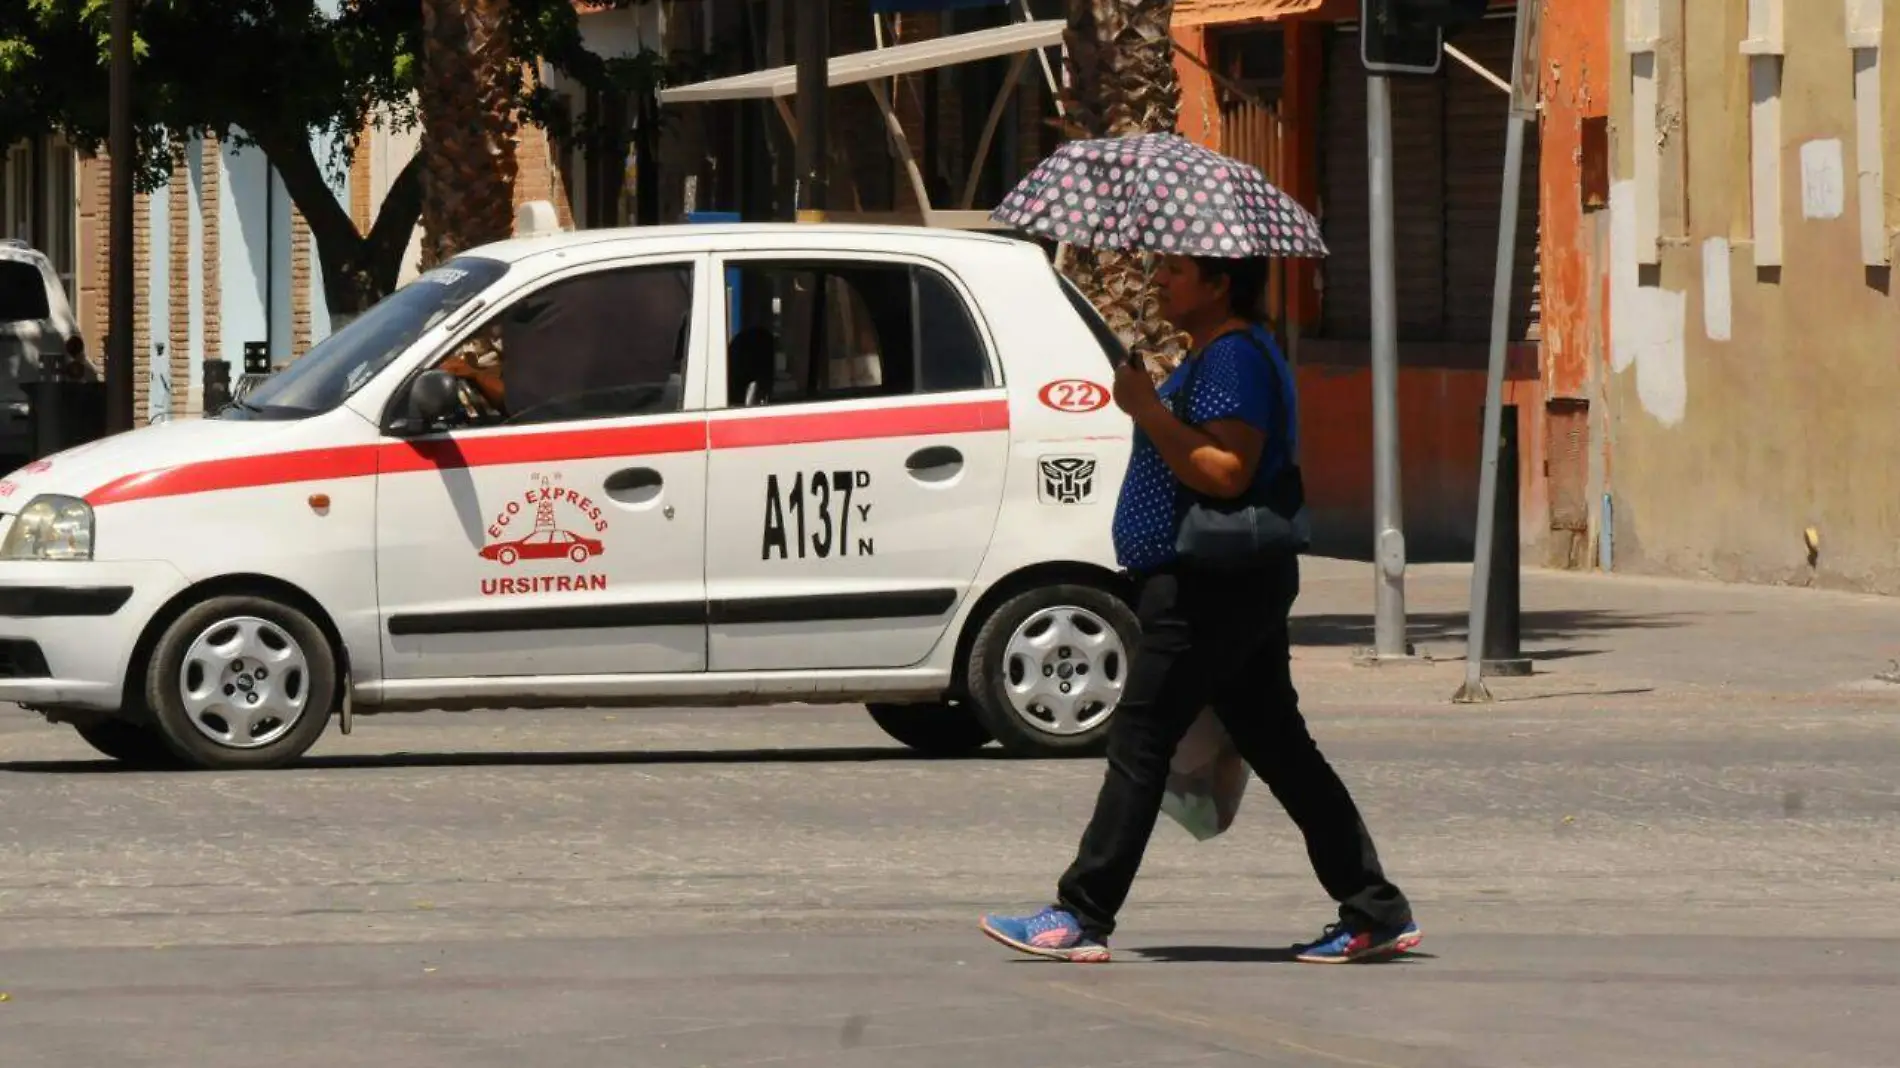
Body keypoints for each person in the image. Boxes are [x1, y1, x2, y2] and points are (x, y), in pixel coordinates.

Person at [979, 254, 1419, 965]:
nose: (1160, 281)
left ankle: (1081, 914)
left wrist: (1147, 409)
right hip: (1221, 581)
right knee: (1279, 745)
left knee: (1141, 738)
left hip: (1207, 584)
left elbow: (1227, 470)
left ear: (1219, 284)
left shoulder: (1235, 358)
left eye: (1177, 271)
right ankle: (1374, 909)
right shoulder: (1217, 354)